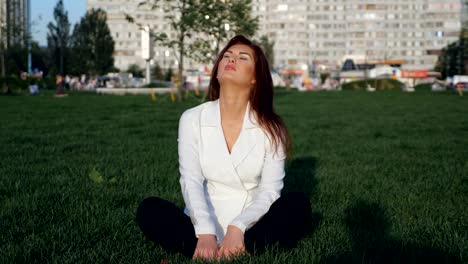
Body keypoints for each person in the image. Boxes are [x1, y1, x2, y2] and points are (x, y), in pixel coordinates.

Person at [136, 35, 312, 261]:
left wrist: (238, 227)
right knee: (149, 209)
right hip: (202, 220)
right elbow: (190, 180)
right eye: (226, 56)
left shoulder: (272, 128)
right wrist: (206, 233)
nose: (231, 59)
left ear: (255, 78)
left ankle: (237, 247)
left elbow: (269, 192)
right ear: (217, 71)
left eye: (242, 57)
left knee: (298, 204)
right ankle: (208, 249)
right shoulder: (191, 118)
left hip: (250, 224)